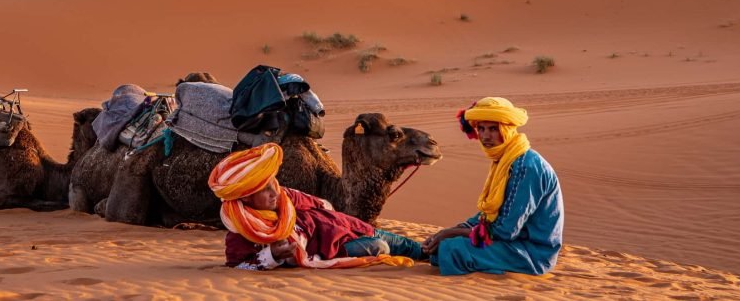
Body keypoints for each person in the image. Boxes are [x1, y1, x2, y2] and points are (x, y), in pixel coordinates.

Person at [208, 142, 426, 270]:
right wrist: (273, 255)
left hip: (349, 226)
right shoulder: (243, 230)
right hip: (336, 248)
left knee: (416, 248)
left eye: (272, 184)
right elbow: (239, 265)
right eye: (264, 189)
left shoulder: (287, 196)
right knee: (381, 247)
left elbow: (324, 205)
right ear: (245, 197)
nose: (275, 192)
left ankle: (442, 251)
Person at [422, 97, 563, 275]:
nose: (486, 136)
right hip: (513, 245)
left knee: (453, 249)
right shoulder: (506, 160)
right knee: (441, 246)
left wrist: (452, 233)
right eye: (481, 128)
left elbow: (506, 231)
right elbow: (489, 215)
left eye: (493, 129)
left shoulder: (525, 167)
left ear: (508, 129)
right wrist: (450, 231)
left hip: (532, 253)